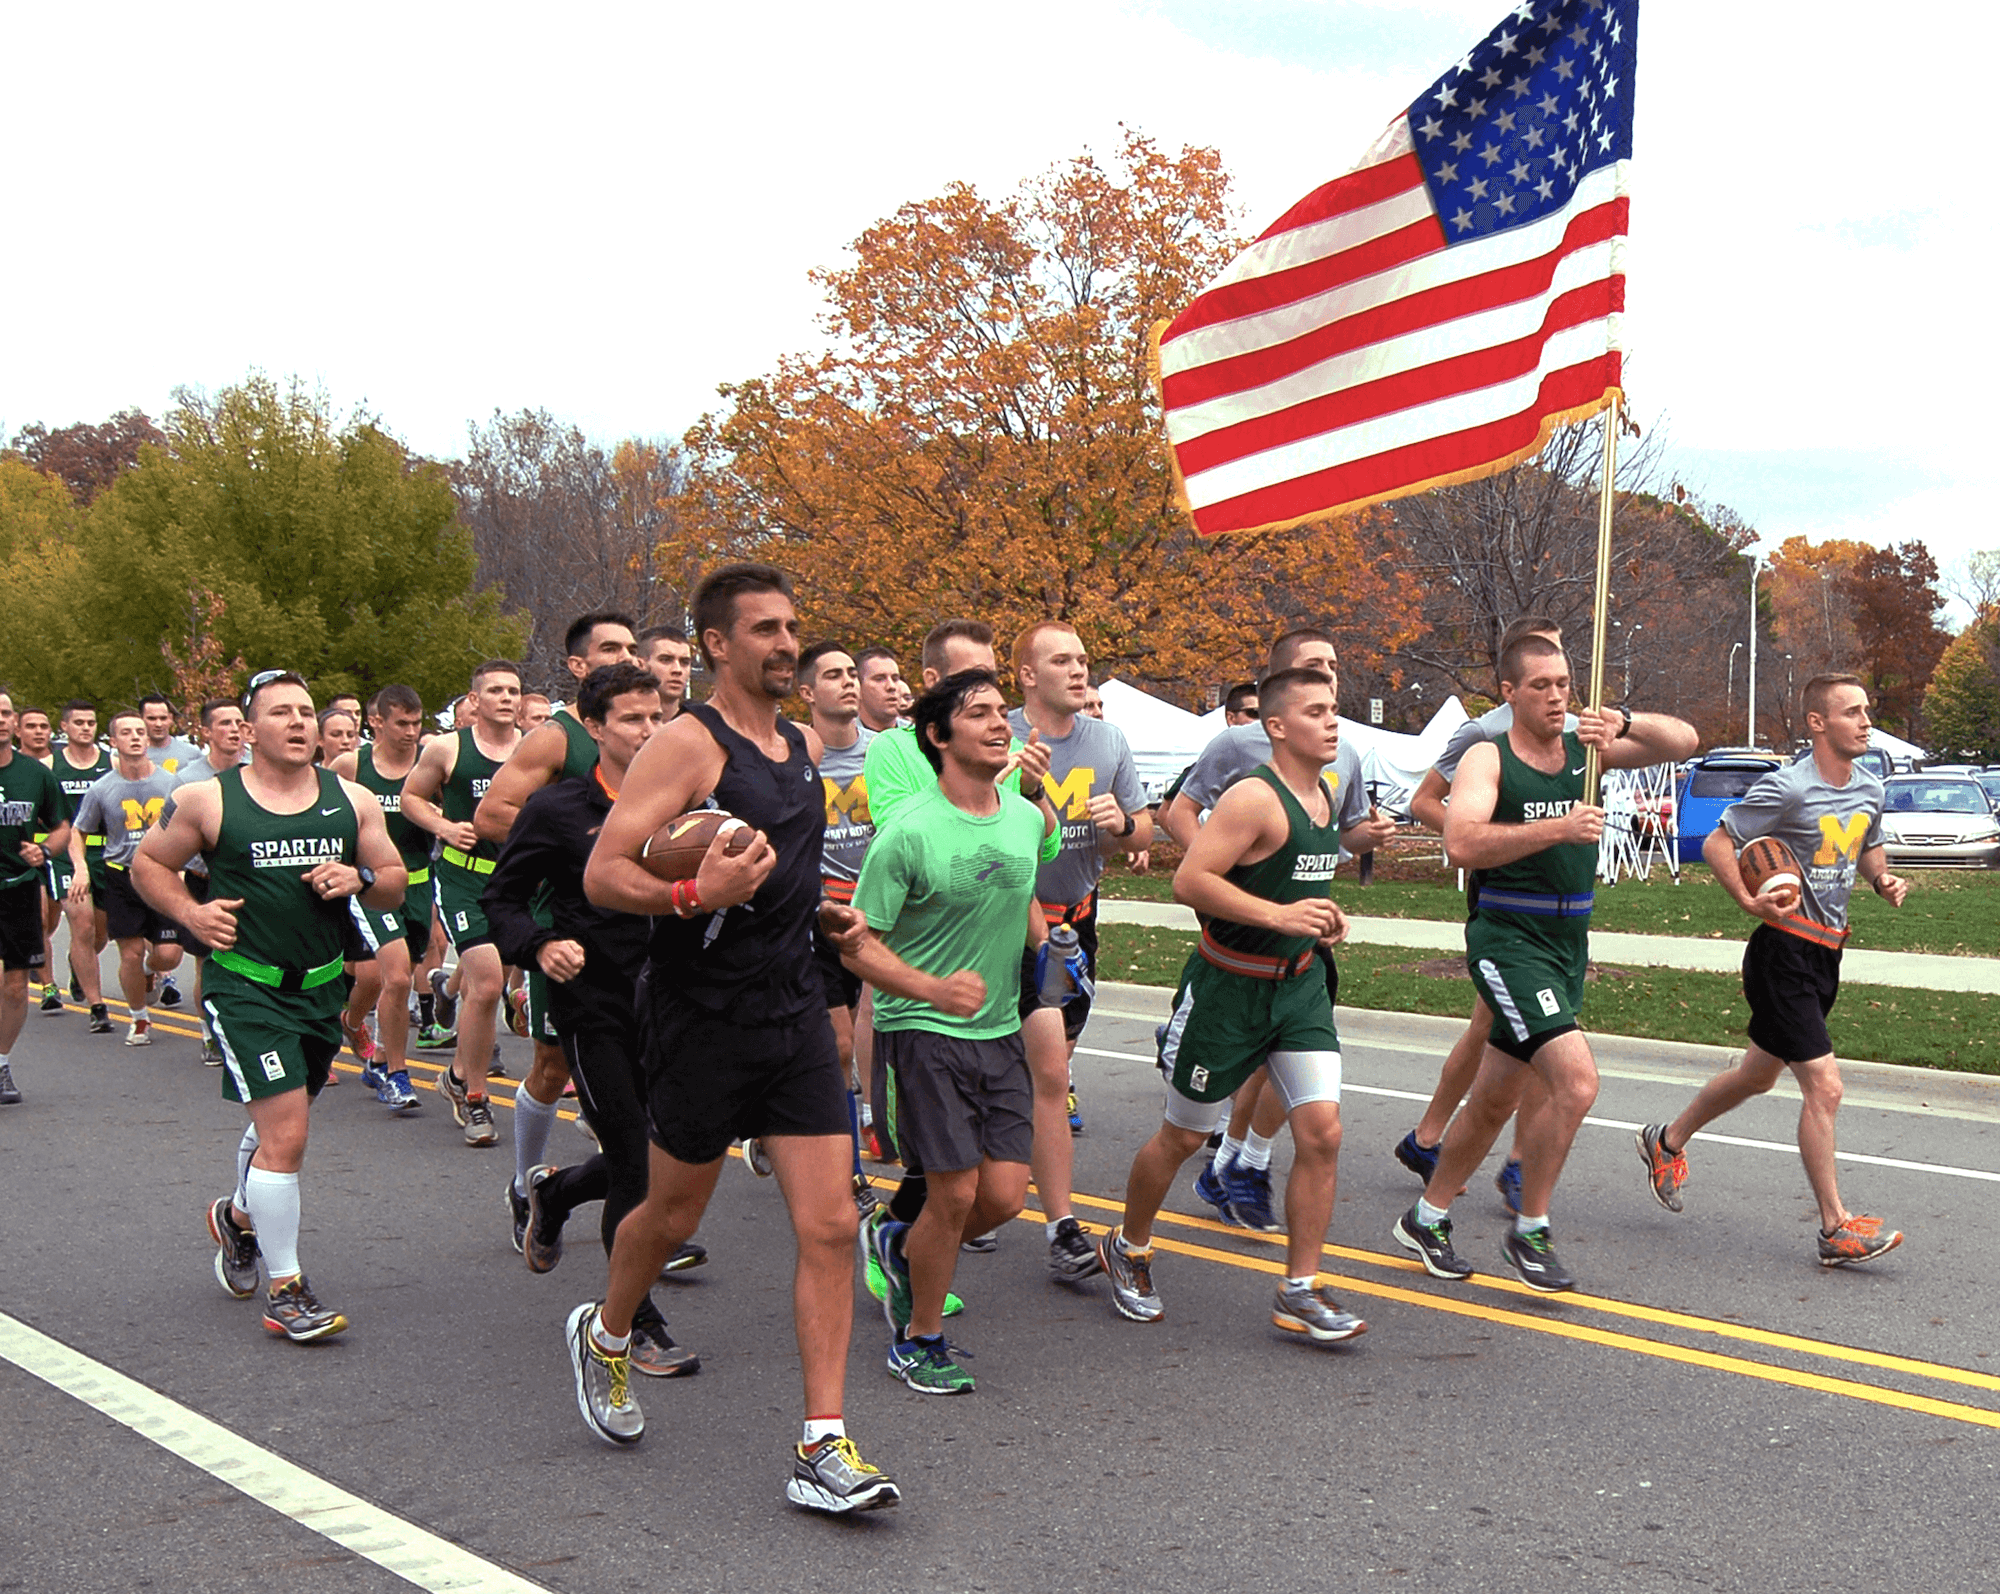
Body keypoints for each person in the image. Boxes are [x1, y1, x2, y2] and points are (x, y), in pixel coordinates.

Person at [568, 562, 901, 1516]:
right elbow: (603, 871)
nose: (786, 644)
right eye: (764, 630)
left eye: (791, 627)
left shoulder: (798, 743)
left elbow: (791, 872)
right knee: (670, 1219)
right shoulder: (686, 743)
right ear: (717, 644)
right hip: (699, 1016)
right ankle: (608, 1331)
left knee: (832, 1222)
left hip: (792, 1007)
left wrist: (833, 923)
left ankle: (823, 1446)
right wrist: (690, 894)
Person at [1392, 635, 1696, 1293]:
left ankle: (1426, 1215)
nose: (1557, 695)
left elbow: (1685, 742)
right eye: (1541, 685)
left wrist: (1627, 722)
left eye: (1564, 682)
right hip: (1509, 936)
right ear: (1509, 693)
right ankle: (1530, 1231)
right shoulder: (1487, 756)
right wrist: (1557, 829)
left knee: (1497, 1095)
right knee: (1577, 1083)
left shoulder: (1588, 750)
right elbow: (1461, 839)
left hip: (1568, 942)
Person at [134, 669, 406, 1341]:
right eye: (280, 712)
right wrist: (191, 916)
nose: (297, 722)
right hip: (243, 987)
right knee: (287, 1136)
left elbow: (395, 882)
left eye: (306, 712)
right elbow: (149, 864)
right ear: (249, 730)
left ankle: (237, 1217)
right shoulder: (207, 799)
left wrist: (361, 877)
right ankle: (287, 1290)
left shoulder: (353, 800)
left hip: (320, 989)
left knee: (277, 1127)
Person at [1097, 669, 1366, 1342]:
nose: (1333, 722)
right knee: (1184, 1136)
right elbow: (1189, 881)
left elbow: (1297, 888)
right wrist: (1280, 913)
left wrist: (1319, 920)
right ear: (1277, 727)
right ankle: (1127, 1248)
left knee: (1323, 1132)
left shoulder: (1325, 795)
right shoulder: (1253, 797)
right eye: (1316, 712)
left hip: (1297, 986)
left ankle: (1299, 1287)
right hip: (1228, 987)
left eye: (1335, 710)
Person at [1636, 673, 1908, 1267]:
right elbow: (1717, 842)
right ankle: (1835, 1228)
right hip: (1781, 953)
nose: (1866, 722)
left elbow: (1867, 844)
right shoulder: (1787, 789)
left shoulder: (1869, 785)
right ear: (1818, 723)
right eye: (1853, 712)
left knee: (1757, 1076)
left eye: (1868, 711)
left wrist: (1881, 878)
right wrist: (1749, 900)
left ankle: (1666, 1141)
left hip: (1827, 952)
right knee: (1825, 1087)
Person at [843, 670, 1054, 1393]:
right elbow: (857, 941)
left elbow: (1031, 871)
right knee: (955, 1193)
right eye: (981, 715)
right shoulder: (907, 832)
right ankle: (919, 1337)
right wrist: (933, 987)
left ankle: (902, 1244)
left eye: (1004, 712)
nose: (1003, 724)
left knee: (1002, 1199)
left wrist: (1051, 952)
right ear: (938, 737)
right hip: (922, 1030)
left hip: (998, 1032)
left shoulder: (1023, 816)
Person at [485, 663, 698, 1373]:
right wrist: (541, 944)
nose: (647, 730)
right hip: (593, 1004)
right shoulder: (557, 810)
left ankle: (555, 1189)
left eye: (656, 716)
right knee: (638, 1163)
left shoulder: (694, 803)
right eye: (632, 719)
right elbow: (503, 900)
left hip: (673, 1003)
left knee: (672, 1157)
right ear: (596, 727)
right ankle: (633, 1319)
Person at [1159, 630, 1393, 1233]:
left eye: (1334, 670)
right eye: (1314, 670)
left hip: (1299, 959)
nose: (1330, 679)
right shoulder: (1237, 746)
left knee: (1312, 1109)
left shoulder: (1344, 756)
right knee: (1187, 1126)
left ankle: (1249, 1170)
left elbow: (1332, 842)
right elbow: (1180, 816)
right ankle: (1155, 1218)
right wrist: (1234, 880)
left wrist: (1365, 843)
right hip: (1237, 949)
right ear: (1278, 701)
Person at [1396, 617, 1582, 1214]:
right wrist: (1503, 839)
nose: (1556, 685)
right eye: (1543, 668)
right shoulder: (1482, 737)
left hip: (1560, 920)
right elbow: (1426, 803)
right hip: (1504, 903)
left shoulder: (1577, 732)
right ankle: (1480, 1156)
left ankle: (1442, 1155)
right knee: (1521, 1040)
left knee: (1510, 1042)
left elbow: (1674, 739)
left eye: (1563, 670)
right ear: (1513, 679)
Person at [1007, 620, 1151, 1271]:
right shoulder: (999, 734)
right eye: (1060, 660)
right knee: (1030, 1072)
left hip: (1074, 926)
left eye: (1083, 660)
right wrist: (1023, 788)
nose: (1077, 670)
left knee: (1048, 1070)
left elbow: (1142, 832)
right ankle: (1041, 1215)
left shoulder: (1107, 739)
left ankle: (1056, 1224)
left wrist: (1121, 824)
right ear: (1027, 675)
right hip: (998, 925)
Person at [402, 659, 524, 1146]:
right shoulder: (448, 747)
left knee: (495, 978)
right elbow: (411, 797)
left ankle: (454, 1075)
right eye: (495, 690)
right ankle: (476, 1099)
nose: (507, 698)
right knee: (489, 983)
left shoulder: (535, 749)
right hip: (463, 880)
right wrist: (444, 826)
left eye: (514, 690)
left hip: (518, 881)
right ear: (475, 700)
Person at [796, 641, 879, 1203]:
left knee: (881, 1036)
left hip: (879, 917)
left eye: (853, 673)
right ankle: (845, 1169)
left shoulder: (888, 753)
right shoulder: (792, 753)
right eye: (833, 675)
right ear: (807, 692)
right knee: (840, 1043)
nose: (848, 682)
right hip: (816, 918)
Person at [327, 684, 429, 1112]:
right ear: (377, 722)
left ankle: (355, 1027)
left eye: (416, 723)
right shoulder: (353, 764)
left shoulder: (430, 762)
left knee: (380, 978)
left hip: (420, 883)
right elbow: (322, 811)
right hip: (370, 886)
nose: (409, 732)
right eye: (401, 723)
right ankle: (397, 1075)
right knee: (396, 978)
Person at [68, 710, 184, 1047]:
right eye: (127, 732)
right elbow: (78, 831)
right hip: (122, 876)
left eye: (140, 731)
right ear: (113, 742)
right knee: (130, 952)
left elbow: (184, 828)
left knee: (169, 955)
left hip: (162, 875)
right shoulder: (103, 788)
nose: (135, 737)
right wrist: (81, 868)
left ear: (148, 740)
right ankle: (139, 1019)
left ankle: (150, 973)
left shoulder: (169, 783)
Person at [169, 699, 248, 1065]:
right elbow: (169, 838)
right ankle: (209, 1033)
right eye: (225, 723)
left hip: (250, 882)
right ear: (206, 732)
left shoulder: (256, 770)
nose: (234, 730)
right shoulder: (187, 778)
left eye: (239, 722)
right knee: (208, 963)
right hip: (204, 880)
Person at [0, 693, 70, 1103]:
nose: (1, 720)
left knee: (14, 987)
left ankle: (2, 1065)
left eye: (6, 713)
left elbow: (62, 827)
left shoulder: (35, 775)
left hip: (18, 886)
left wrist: (44, 850)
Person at [49, 701, 114, 1031]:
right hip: (66, 855)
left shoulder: (110, 762)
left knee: (100, 934)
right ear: (65, 727)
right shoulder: (52, 763)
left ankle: (78, 963)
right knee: (83, 925)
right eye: (79, 723)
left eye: (91, 722)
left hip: (104, 854)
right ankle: (97, 1006)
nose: (86, 728)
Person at [635, 626, 693, 719]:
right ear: (641, 665)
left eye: (684, 662)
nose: (677, 670)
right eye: (666, 660)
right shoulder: (621, 726)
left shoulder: (701, 728)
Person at [138, 693, 200, 774]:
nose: (158, 724)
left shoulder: (192, 754)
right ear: (140, 720)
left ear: (170, 719)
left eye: (163, 718)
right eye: (152, 719)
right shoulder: (124, 756)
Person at [853, 647, 906, 734]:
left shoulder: (919, 738)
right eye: (879, 679)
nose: (891, 686)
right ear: (858, 687)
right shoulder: (845, 741)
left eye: (895, 679)